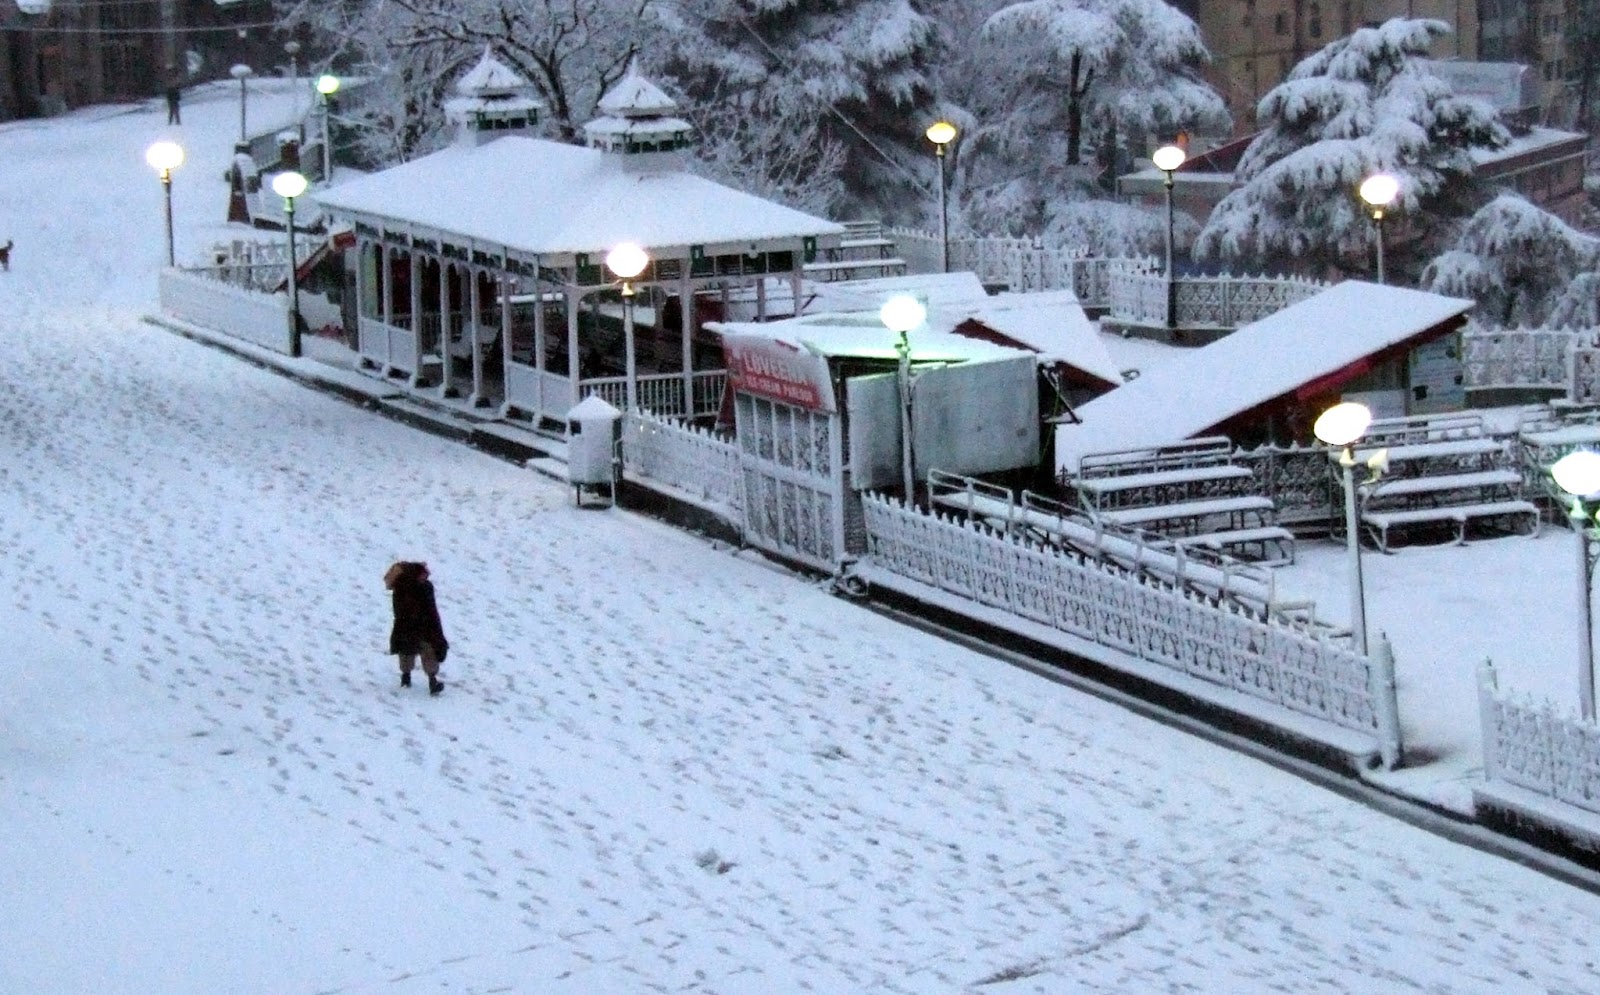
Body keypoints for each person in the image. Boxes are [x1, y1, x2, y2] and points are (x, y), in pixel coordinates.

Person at [384, 561, 448, 695]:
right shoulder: (404, 587)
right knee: (408, 652)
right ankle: (408, 677)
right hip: (412, 625)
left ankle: (430, 681)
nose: (426, 577)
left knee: (425, 651)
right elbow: (402, 608)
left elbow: (431, 608)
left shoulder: (422, 587)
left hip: (421, 626)